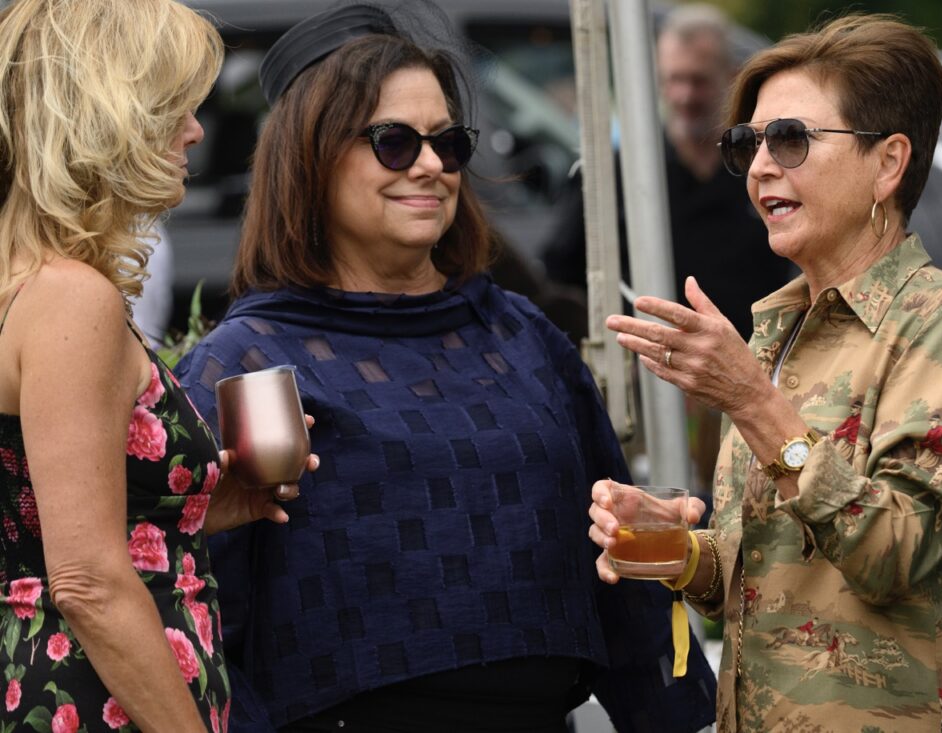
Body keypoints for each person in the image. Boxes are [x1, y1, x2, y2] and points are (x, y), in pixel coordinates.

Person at [173, 3, 718, 732]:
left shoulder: (522, 334)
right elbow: (202, 622)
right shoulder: (247, 363)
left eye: (448, 142)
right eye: (394, 143)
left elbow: (617, 568)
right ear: (311, 154)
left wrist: (676, 717)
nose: (431, 166)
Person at [588, 13, 942, 733]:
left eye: (789, 140)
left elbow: (891, 554)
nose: (759, 166)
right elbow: (752, 585)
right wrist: (674, 547)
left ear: (887, 163)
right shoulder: (777, 330)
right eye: (746, 143)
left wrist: (753, 401)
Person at [0, 1, 313, 729]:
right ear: (110, 115)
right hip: (97, 699)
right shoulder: (71, 298)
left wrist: (186, 509)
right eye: (173, 105)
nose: (196, 129)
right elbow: (85, 579)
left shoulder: (25, 281)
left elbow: (37, 515)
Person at [544, 4, 791, 500]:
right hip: (654, 391)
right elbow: (559, 270)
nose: (684, 96)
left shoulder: (757, 167)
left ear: (728, 77)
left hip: (758, 379)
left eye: (697, 81)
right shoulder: (621, 172)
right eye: (672, 80)